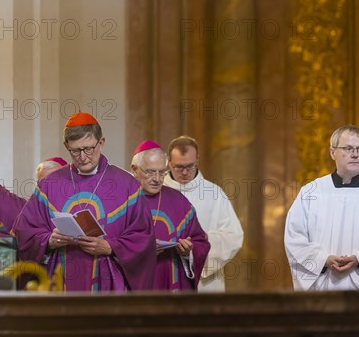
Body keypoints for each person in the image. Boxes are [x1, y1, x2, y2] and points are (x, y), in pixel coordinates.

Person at [14, 112, 156, 292]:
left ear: (101, 143)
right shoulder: (50, 184)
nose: (82, 157)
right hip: (59, 282)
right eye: (75, 150)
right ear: (66, 146)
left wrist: (110, 246)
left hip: (109, 284)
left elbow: (144, 239)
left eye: (89, 148)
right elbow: (24, 233)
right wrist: (49, 240)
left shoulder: (127, 185)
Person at [284, 125, 359, 291]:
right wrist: (323, 259)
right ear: (332, 152)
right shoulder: (311, 192)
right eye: (348, 148)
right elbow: (294, 238)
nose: (355, 154)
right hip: (322, 289)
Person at [163, 136, 243, 292]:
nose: (185, 172)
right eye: (179, 167)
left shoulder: (213, 193)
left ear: (197, 160)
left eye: (190, 166)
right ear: (169, 162)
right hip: (165, 272)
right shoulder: (157, 191)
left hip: (204, 283)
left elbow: (233, 236)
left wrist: (196, 248)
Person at [131, 140, 210, 291]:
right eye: (150, 171)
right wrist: (139, 251)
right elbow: (108, 245)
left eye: (162, 172)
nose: (157, 178)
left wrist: (188, 253)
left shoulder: (179, 202)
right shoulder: (122, 201)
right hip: (132, 286)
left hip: (169, 283)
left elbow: (201, 242)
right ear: (134, 169)